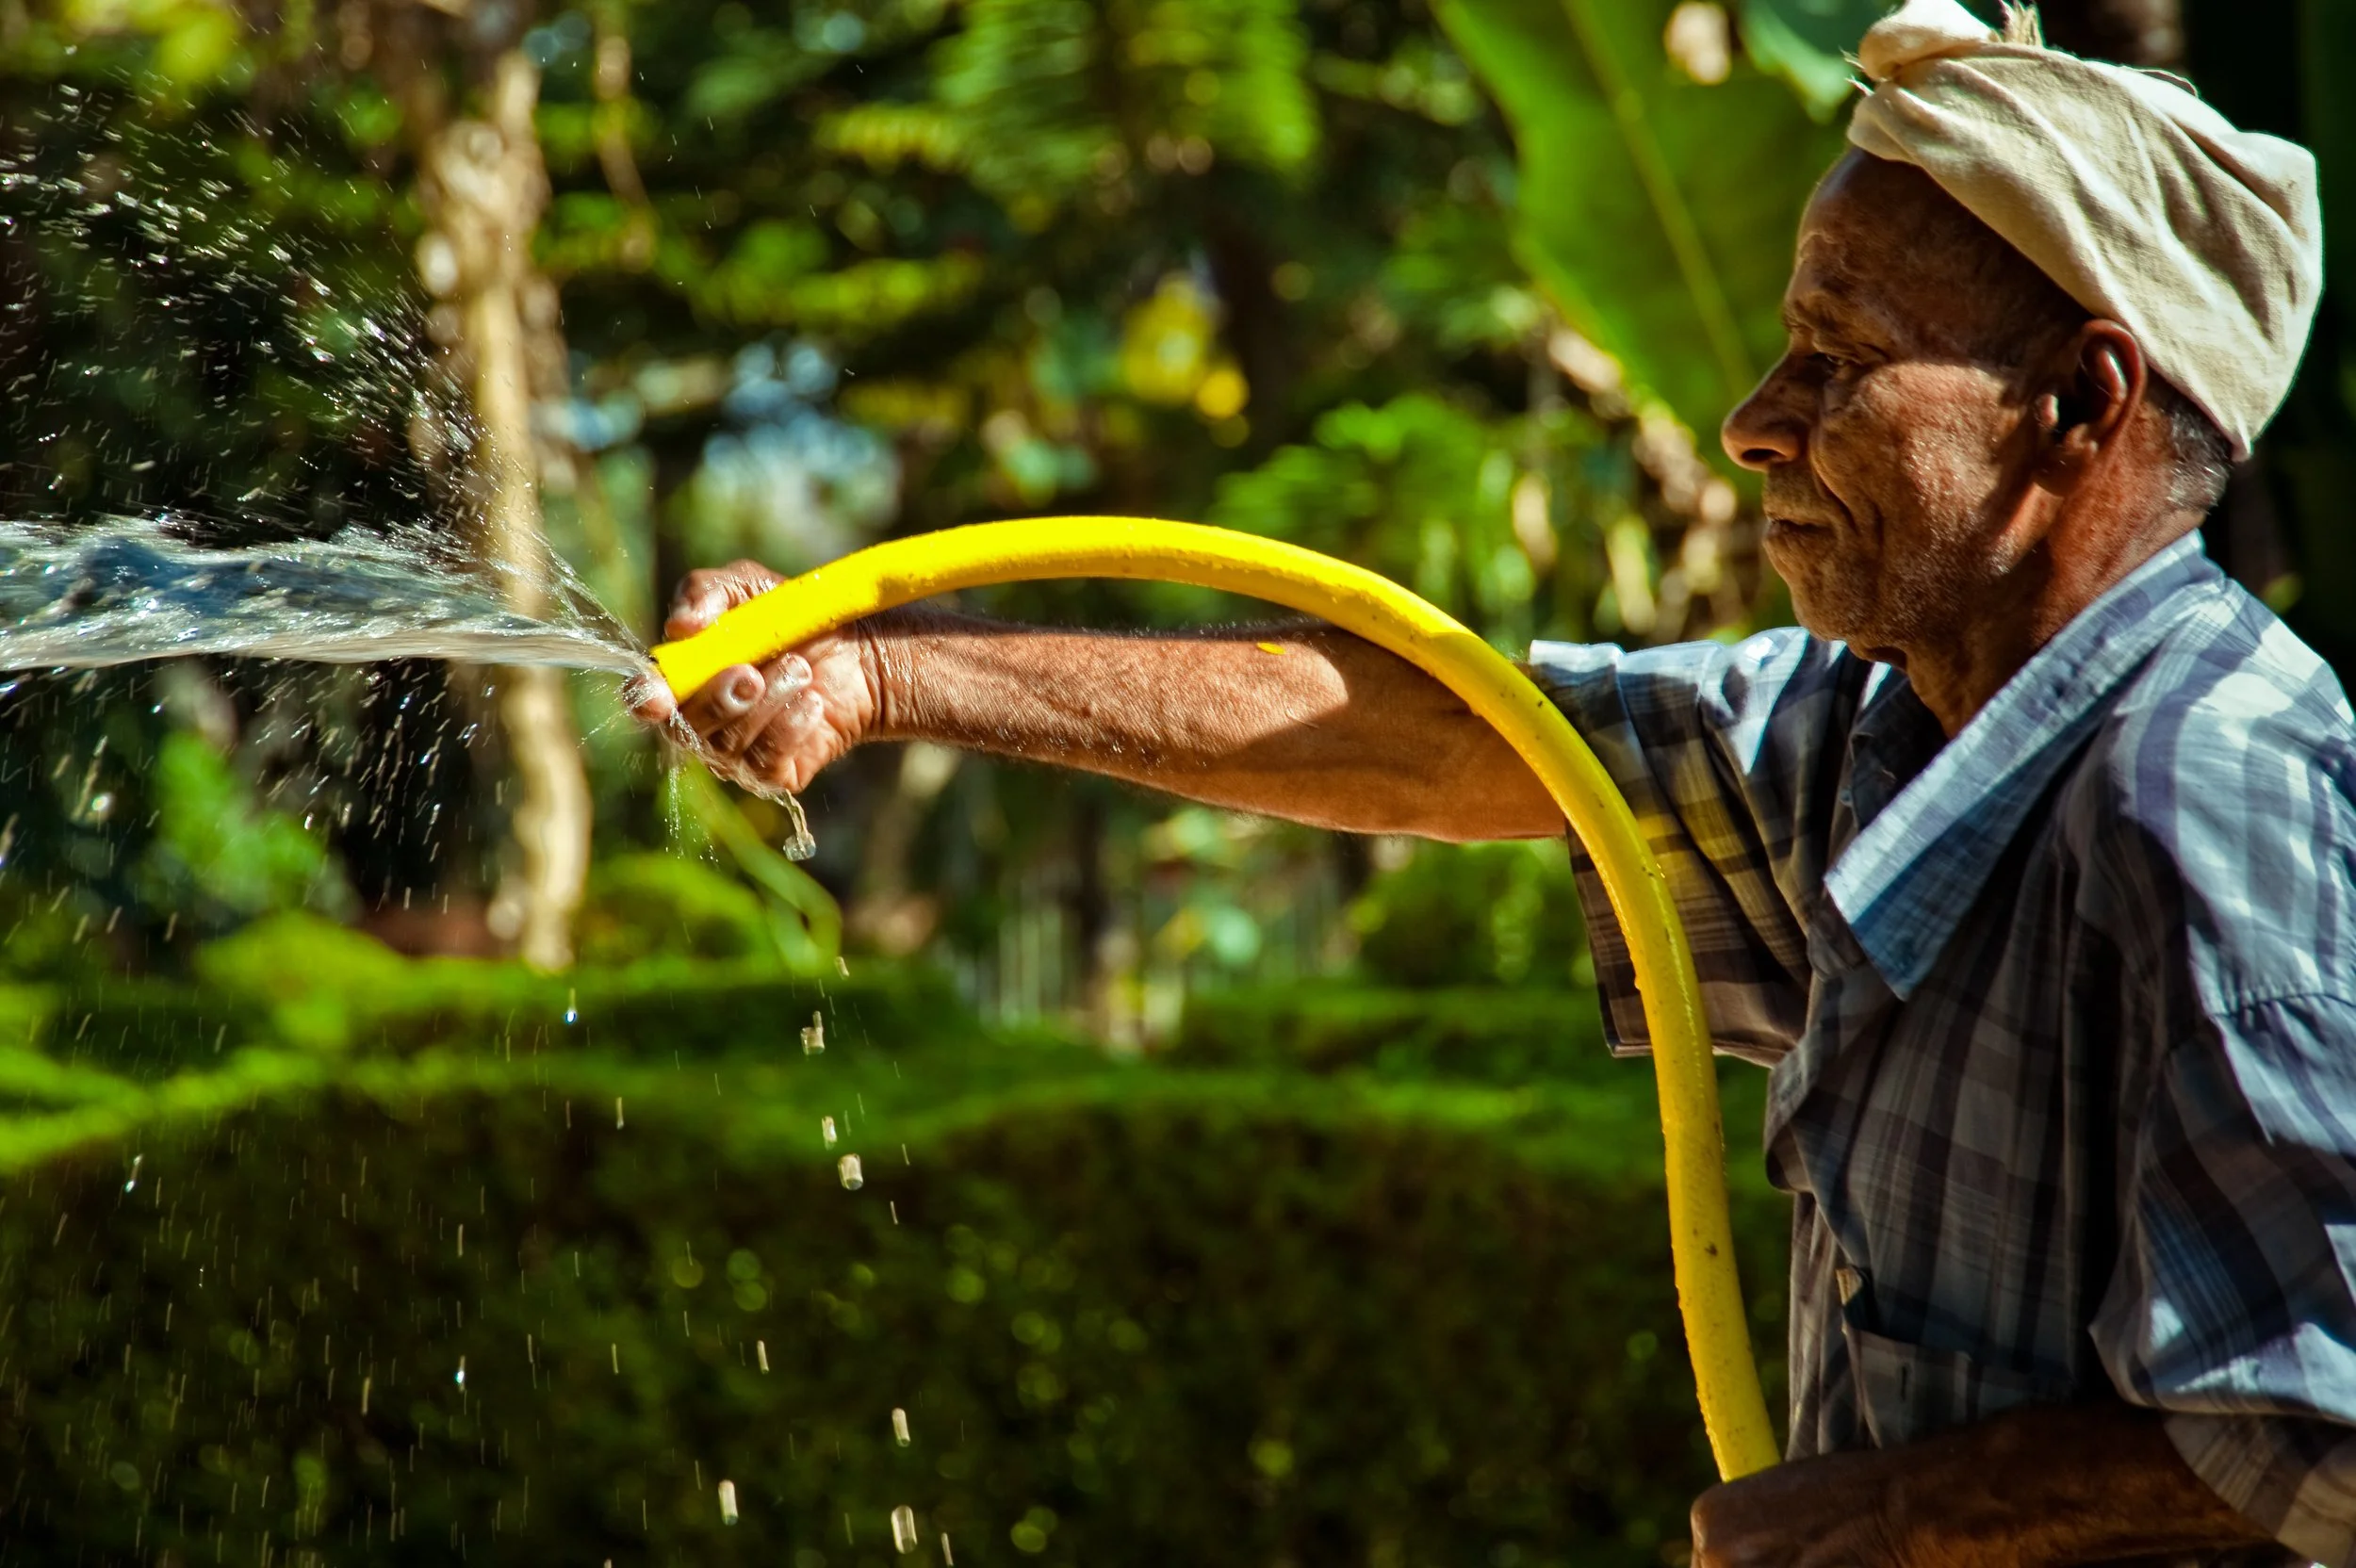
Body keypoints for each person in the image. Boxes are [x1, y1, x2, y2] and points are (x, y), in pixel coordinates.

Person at [633, 2, 2356, 1561]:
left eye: (1839, 357)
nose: (1756, 420)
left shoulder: (2203, 791)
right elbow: (1457, 730)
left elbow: (2331, 1439)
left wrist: (1901, 1515)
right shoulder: (1880, 727)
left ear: (2079, 402)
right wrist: (874, 671)